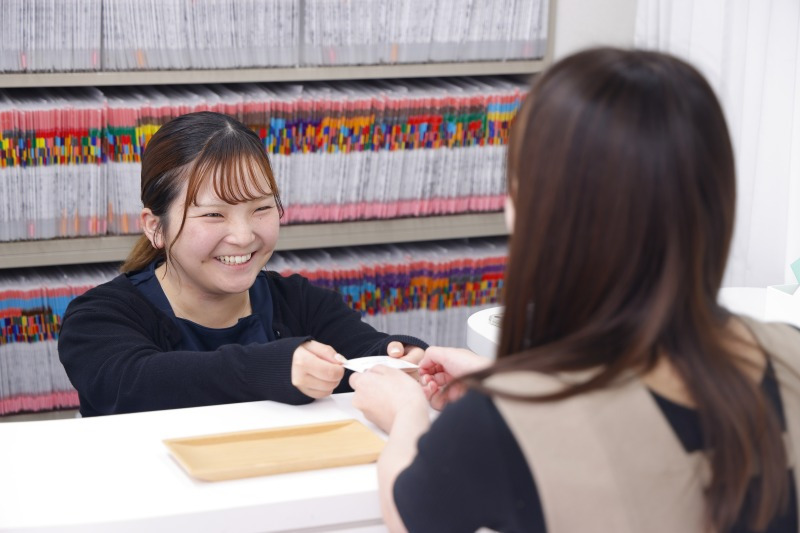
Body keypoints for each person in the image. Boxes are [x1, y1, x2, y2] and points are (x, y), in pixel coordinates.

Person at [349, 48, 799, 532]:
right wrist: (505, 377)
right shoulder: (789, 349)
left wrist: (406, 410)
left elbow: (409, 514)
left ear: (543, 212)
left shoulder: (500, 427)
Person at [58, 111, 426, 417]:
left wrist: (403, 359)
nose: (243, 235)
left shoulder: (301, 302)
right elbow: (136, 384)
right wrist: (269, 368)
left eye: (262, 208)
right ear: (156, 227)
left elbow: (366, 351)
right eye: (214, 214)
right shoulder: (98, 318)